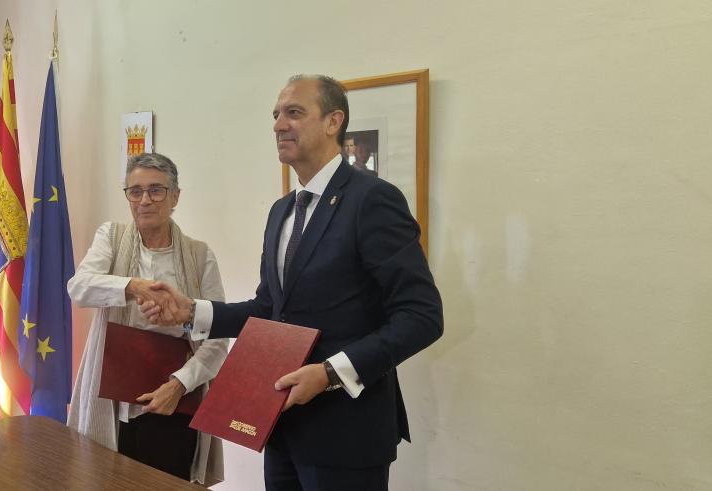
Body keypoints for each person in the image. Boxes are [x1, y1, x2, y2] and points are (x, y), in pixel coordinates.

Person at [140, 75, 443, 489]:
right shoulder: (283, 211)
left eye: (294, 113)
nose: (279, 124)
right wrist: (193, 311)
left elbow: (422, 316)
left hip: (347, 435)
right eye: (276, 114)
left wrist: (331, 373)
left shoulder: (372, 200)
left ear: (334, 121)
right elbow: (269, 310)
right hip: (279, 426)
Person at [66, 152, 228, 485]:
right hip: (114, 402)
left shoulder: (198, 255)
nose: (144, 200)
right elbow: (79, 287)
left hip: (174, 403)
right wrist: (133, 287)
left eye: (156, 190)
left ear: (175, 197)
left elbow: (218, 336)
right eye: (135, 191)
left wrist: (179, 384)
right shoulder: (111, 237)